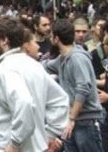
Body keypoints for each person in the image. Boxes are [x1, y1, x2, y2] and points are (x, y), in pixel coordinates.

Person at [0, 17, 69, 152]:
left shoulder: (7, 67)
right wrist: (49, 135)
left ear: (4, 40)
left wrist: (14, 144)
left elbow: (24, 102)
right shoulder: (34, 65)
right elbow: (61, 101)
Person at [44, 19, 104, 152]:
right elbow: (45, 66)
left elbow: (83, 89)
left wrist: (72, 118)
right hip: (72, 123)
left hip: (86, 121)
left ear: (56, 38)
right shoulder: (63, 58)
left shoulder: (77, 58)